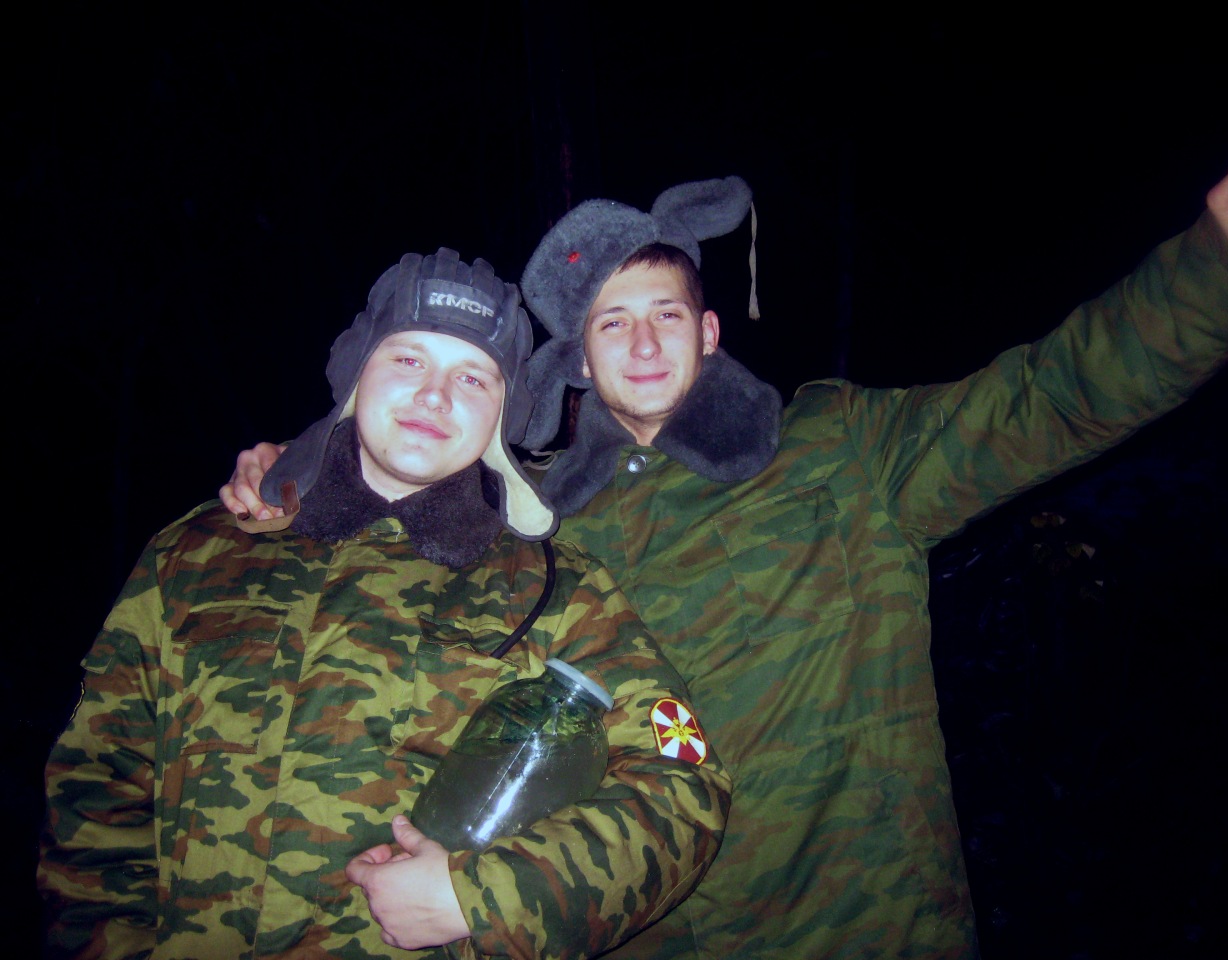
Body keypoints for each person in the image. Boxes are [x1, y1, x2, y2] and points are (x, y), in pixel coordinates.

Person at [222, 147, 1228, 958]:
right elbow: (395, 585)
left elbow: (1048, 397)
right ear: (578, 360)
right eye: (612, 324)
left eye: (665, 314)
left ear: (710, 331)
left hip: (862, 925)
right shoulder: (536, 528)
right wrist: (292, 483)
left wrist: (1219, 268)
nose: (643, 342)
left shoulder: (839, 452)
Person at [39, 248, 731, 960]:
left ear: (503, 414)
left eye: (473, 377)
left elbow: (683, 788)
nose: (435, 396)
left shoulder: (555, 589)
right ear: (356, 371)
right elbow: (97, 789)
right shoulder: (194, 555)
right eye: (407, 359)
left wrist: (482, 899)